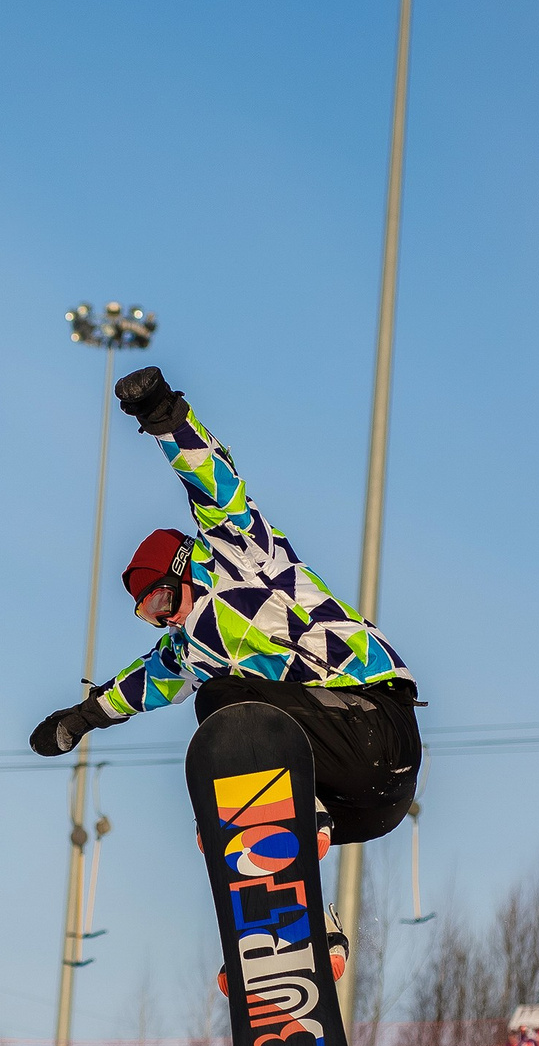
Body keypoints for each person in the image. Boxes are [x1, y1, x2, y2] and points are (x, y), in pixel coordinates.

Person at [30, 367, 422, 983]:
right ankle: (304, 933)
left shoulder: (240, 552)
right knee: (217, 723)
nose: (164, 621)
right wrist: (82, 717)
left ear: (184, 569)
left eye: (162, 602)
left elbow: (213, 480)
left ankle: (280, 812)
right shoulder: (187, 650)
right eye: (150, 617)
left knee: (220, 704)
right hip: (365, 807)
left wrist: (161, 414)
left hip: (373, 724)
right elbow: (142, 684)